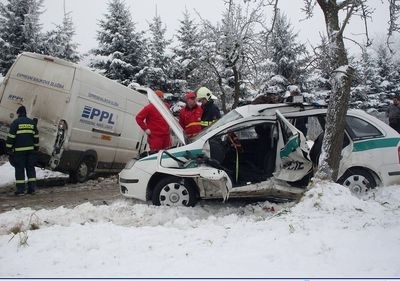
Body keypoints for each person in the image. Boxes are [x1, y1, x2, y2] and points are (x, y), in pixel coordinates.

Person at [6, 105, 39, 196]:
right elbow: (36, 137)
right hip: (30, 152)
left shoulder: (16, 123)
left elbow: (11, 137)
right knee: (30, 169)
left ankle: (20, 190)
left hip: (19, 152)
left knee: (20, 169)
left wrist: (8, 148)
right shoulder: (32, 123)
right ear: (25, 113)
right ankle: (32, 189)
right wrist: (36, 148)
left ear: (18, 113)